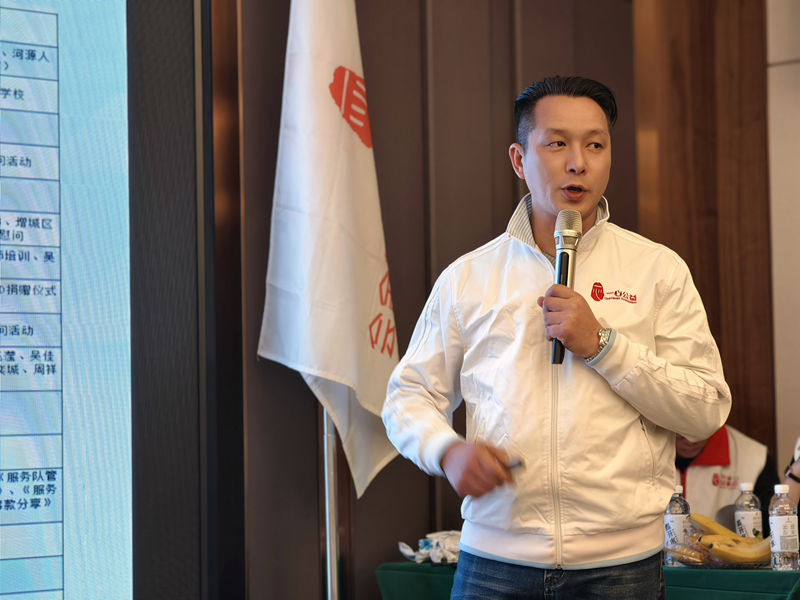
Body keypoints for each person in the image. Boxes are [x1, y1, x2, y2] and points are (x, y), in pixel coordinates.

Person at [382, 76, 731, 599]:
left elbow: (705, 408)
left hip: (622, 567)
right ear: (519, 160)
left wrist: (604, 346)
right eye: (557, 144)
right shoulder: (468, 277)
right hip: (494, 563)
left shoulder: (658, 270)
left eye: (595, 145)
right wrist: (447, 450)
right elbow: (407, 396)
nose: (578, 163)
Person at [674, 425, 780, 537]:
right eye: (679, 434)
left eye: (699, 433)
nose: (689, 441)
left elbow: (771, 532)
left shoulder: (754, 458)